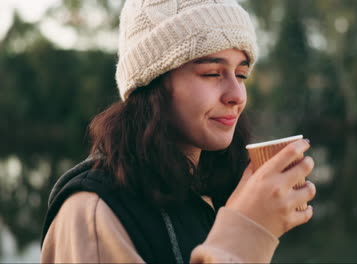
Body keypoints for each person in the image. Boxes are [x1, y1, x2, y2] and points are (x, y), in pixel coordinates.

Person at [40, 0, 316, 263]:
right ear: (152, 85)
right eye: (211, 73)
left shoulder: (209, 192)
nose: (236, 95)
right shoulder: (93, 214)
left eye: (241, 75)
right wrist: (248, 230)